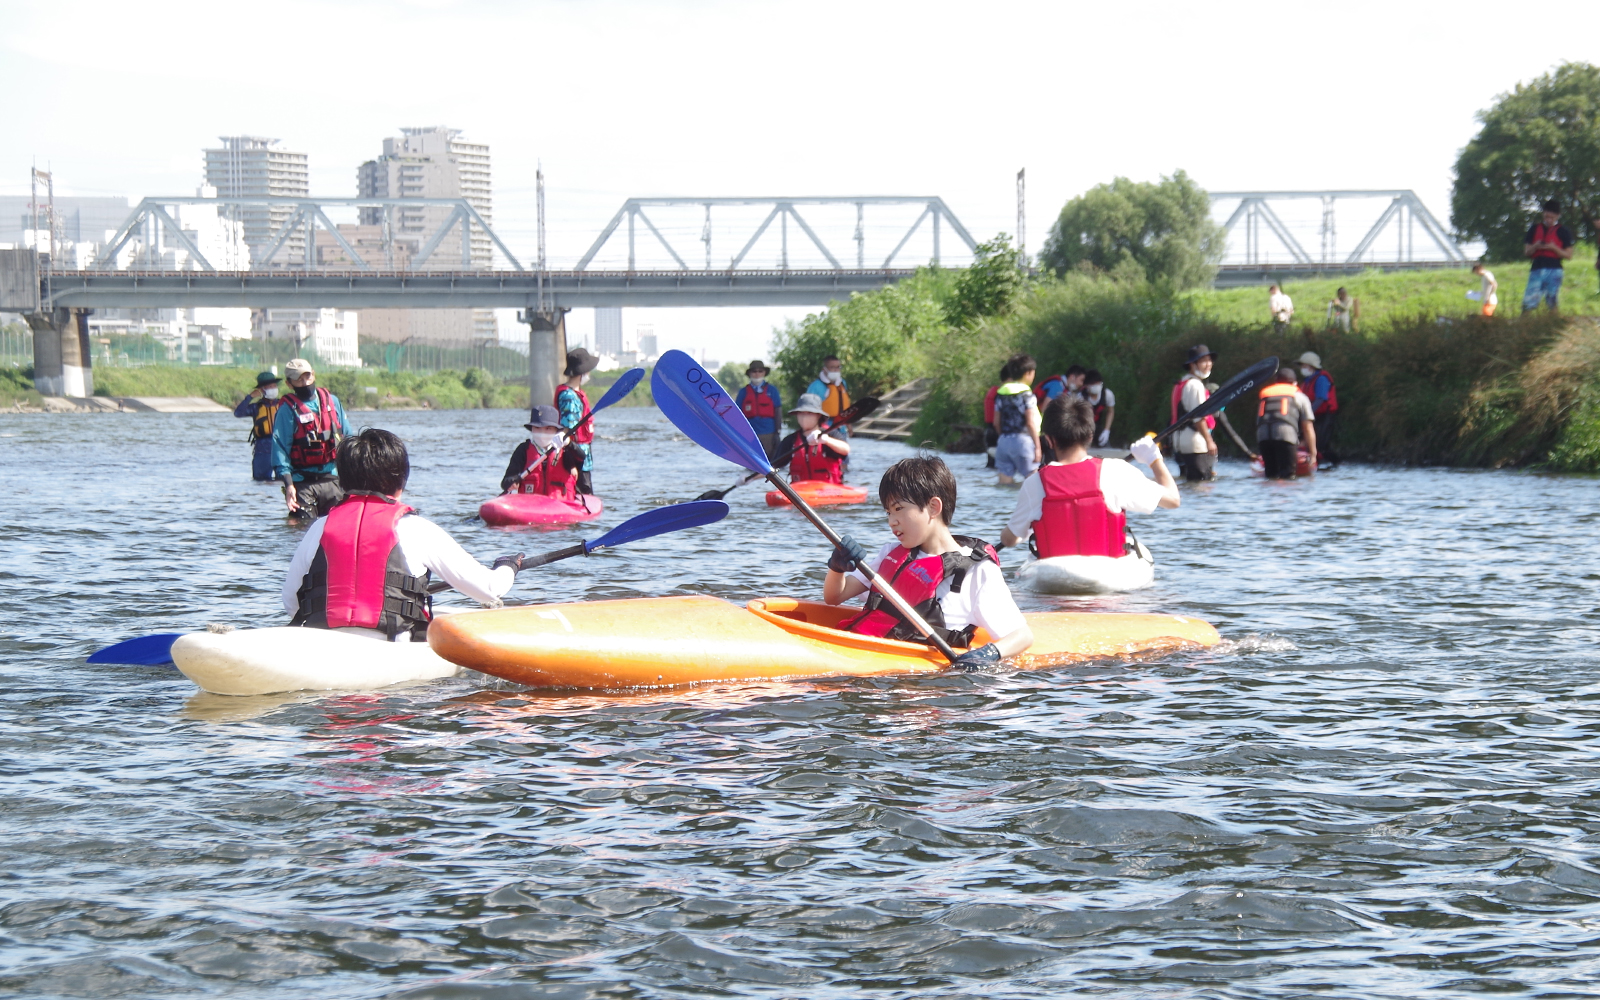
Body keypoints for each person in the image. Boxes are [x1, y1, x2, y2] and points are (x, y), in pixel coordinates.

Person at [284, 429, 523, 641]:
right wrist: (508, 566)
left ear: (343, 482)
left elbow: (291, 602)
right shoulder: (416, 529)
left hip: (321, 647)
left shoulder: (320, 527)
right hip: (392, 653)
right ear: (400, 481)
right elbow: (489, 589)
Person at [823, 456, 1033, 670]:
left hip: (921, 679)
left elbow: (1022, 636)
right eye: (888, 512)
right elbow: (834, 597)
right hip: (861, 651)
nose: (891, 521)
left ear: (933, 507)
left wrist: (988, 654)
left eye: (898, 508)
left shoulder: (978, 571)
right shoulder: (891, 554)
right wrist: (837, 567)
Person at [1000, 396, 1178, 557]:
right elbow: (1173, 500)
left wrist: (1029, 529)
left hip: (1054, 575)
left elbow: (1008, 540)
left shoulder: (1034, 483)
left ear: (1049, 440)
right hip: (1108, 574)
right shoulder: (1116, 470)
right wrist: (1154, 459)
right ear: (1090, 435)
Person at [271, 358, 352, 519]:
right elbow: (279, 449)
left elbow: (349, 440)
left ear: (313, 375)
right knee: (302, 530)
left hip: (333, 480)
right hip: (303, 483)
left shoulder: (333, 402)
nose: (305, 382)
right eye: (299, 380)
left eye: (307, 377)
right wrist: (288, 485)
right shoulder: (287, 410)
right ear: (289, 384)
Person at [499, 405, 584, 498]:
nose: (542, 433)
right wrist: (512, 482)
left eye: (548, 428)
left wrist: (569, 443)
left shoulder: (566, 450)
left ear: (556, 430)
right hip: (531, 506)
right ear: (531, 429)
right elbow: (505, 482)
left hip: (560, 505)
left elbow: (581, 457)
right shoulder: (523, 450)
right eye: (537, 428)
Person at [1256, 367, 1317, 480]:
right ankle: (1285, 495)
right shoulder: (1300, 396)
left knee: (1270, 476)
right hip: (1285, 435)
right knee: (1288, 476)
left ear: (1276, 382)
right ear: (1294, 383)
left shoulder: (1265, 395)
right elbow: (1308, 428)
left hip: (1263, 436)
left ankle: (1268, 496)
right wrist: (1313, 454)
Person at [555, 347, 600, 495]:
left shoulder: (576, 393)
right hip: (575, 457)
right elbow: (567, 431)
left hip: (583, 457)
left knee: (586, 491)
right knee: (583, 493)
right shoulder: (569, 397)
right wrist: (570, 463)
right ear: (583, 373)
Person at [1171, 344, 1219, 482]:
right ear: (1192, 364)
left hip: (1180, 442)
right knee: (1202, 486)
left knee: (1190, 485)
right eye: (1203, 361)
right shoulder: (1195, 385)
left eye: (1209, 360)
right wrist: (1209, 441)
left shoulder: (1182, 383)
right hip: (1195, 444)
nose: (1208, 364)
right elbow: (1198, 417)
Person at [992, 353, 1042, 485]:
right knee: (1033, 482)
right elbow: (1030, 422)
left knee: (1004, 484)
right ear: (1028, 373)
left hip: (1003, 441)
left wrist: (1004, 437)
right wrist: (1037, 447)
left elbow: (996, 422)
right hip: (1024, 441)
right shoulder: (1027, 394)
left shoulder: (1000, 394)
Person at [778, 393, 850, 483]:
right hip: (801, 492)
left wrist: (826, 440)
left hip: (829, 491)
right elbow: (773, 466)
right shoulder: (790, 441)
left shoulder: (831, 434)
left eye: (809, 413)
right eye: (801, 413)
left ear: (818, 415)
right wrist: (755, 477)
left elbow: (845, 449)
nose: (804, 417)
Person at [1523, 200, 1573, 313]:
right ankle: (1524, 324)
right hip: (1537, 267)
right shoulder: (1534, 229)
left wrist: (1554, 248)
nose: (1548, 220)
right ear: (1543, 214)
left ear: (1558, 216)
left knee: (1552, 300)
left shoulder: (1564, 231)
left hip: (1554, 268)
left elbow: (1569, 255)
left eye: (1551, 217)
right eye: (1546, 217)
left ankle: (1553, 322)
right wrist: (1535, 246)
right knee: (1529, 300)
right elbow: (1526, 252)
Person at [233, 370, 281, 482]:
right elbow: (238, 413)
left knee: (284, 480)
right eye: (269, 386)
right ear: (262, 389)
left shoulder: (283, 404)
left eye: (274, 386)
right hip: (263, 447)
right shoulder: (256, 407)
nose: (273, 388)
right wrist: (249, 397)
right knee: (260, 481)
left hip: (281, 445)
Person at [1297, 351, 1339, 469]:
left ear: (1311, 366)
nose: (1301, 368)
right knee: (1310, 443)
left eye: (1303, 365)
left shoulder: (1321, 379)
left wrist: (1306, 413)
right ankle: (1312, 464)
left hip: (1325, 415)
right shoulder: (1307, 381)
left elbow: (1321, 398)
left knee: (1321, 445)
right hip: (1313, 416)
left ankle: (1336, 463)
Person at [736, 360, 783, 458]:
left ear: (764, 373)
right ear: (749, 373)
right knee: (752, 465)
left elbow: (778, 412)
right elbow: (737, 415)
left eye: (760, 371)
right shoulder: (743, 392)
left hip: (769, 433)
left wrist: (777, 433)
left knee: (770, 464)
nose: (757, 374)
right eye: (754, 371)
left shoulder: (772, 390)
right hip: (750, 435)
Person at [1082, 369, 1116, 447]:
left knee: (1106, 447)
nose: (1096, 386)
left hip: (1098, 426)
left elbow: (1110, 411)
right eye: (1094, 384)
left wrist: (1107, 430)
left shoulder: (1108, 395)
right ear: (1086, 385)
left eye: (1098, 383)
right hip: (1083, 427)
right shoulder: (1080, 397)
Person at [982, 373, 1002, 469]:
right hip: (997, 431)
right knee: (998, 466)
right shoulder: (1000, 394)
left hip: (989, 431)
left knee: (991, 465)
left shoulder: (992, 392)